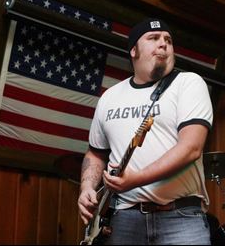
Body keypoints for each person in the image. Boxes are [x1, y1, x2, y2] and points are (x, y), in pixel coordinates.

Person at [78, 17, 213, 245]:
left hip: (180, 219)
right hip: (124, 219)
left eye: (168, 40)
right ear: (133, 51)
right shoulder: (110, 97)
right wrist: (86, 188)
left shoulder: (188, 83)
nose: (163, 44)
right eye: (153, 38)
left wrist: (136, 179)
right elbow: (95, 153)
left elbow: (191, 147)